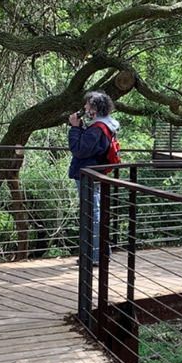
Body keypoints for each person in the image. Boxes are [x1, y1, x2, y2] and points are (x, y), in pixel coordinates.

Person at [68, 91, 120, 266]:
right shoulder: (103, 126)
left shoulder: (98, 128)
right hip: (95, 174)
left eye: (88, 105)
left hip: (88, 175)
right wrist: (82, 128)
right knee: (94, 212)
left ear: (95, 109)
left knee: (91, 214)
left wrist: (75, 128)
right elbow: (90, 148)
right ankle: (99, 253)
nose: (84, 108)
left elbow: (80, 150)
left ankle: (96, 256)